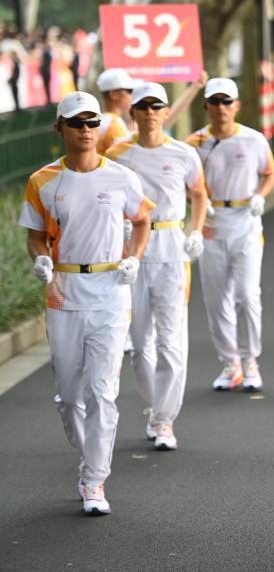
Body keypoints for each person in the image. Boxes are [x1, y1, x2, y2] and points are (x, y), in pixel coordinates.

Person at [19, 91, 154, 515]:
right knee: (69, 395)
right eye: (77, 123)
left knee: (103, 392)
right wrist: (41, 257)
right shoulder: (43, 181)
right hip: (64, 293)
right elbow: (35, 232)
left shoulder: (121, 178)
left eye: (93, 123)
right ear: (60, 128)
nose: (86, 130)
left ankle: (95, 480)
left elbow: (143, 219)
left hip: (111, 291)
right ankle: (89, 454)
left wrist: (133, 257)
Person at [106, 83, 208, 451]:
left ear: (166, 112)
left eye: (157, 106)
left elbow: (198, 193)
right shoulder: (118, 154)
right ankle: (154, 408)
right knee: (139, 344)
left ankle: (165, 420)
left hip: (170, 251)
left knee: (171, 341)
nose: (150, 112)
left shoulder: (183, 154)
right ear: (132, 112)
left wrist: (195, 231)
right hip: (132, 254)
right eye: (143, 106)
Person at [186, 78, 274, 392]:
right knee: (216, 300)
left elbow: (269, 172)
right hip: (212, 225)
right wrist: (198, 205)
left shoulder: (253, 140)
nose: (221, 108)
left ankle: (251, 361)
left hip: (246, 223)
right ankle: (230, 364)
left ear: (236, 105)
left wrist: (260, 196)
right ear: (206, 106)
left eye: (227, 102)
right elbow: (185, 184)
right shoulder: (194, 144)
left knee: (247, 295)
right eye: (215, 102)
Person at [96, 68, 137, 154]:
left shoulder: (101, 120)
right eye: (129, 91)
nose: (132, 96)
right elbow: (123, 158)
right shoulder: (114, 124)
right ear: (114, 95)